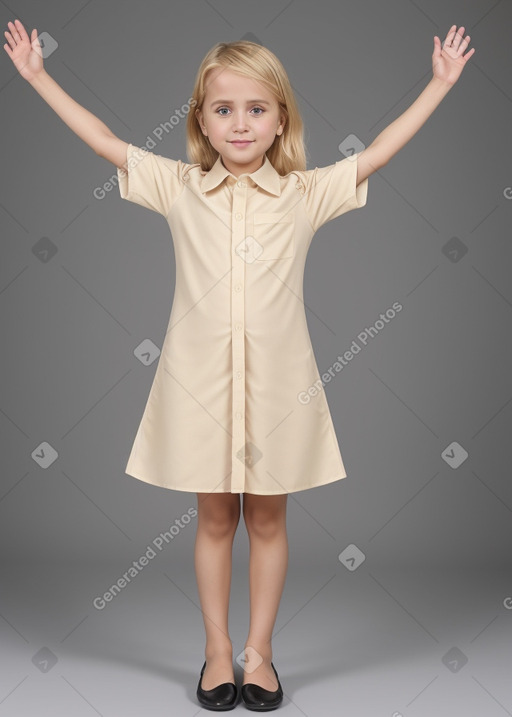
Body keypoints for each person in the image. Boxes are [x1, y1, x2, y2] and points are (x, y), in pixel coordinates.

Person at [4, 19, 474, 711]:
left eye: (257, 108)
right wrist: (38, 76)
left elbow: (375, 155)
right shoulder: (179, 187)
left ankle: (260, 655)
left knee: (271, 523)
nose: (241, 123)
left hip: (281, 391)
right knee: (215, 519)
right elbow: (107, 142)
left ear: (281, 118)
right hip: (198, 389)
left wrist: (438, 85)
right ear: (201, 118)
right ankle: (217, 652)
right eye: (223, 109)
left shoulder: (305, 194)